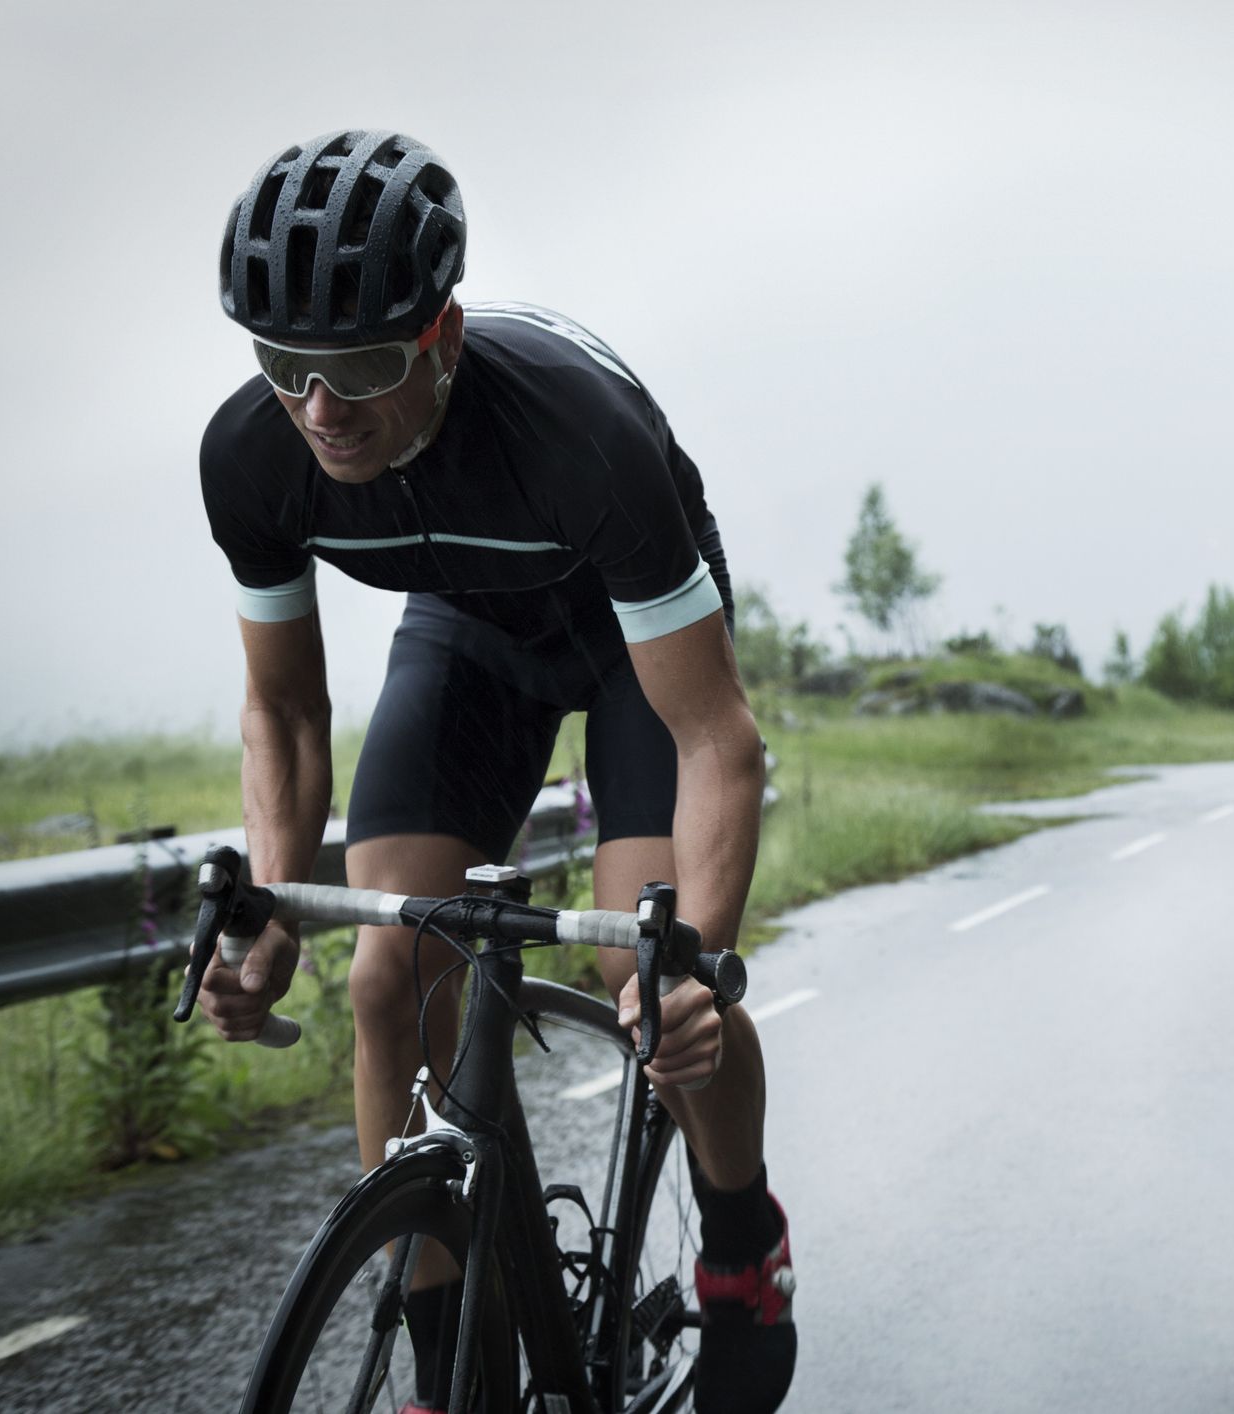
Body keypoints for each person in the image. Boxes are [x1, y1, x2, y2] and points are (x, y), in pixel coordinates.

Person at [194, 130, 795, 1414]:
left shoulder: (581, 437)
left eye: (358, 365)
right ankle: (440, 1362)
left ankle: (742, 1232)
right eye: (283, 364)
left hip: (636, 646)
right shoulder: (251, 456)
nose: (319, 408)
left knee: (647, 971)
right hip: (467, 632)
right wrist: (273, 904)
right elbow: (287, 715)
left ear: (443, 337)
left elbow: (715, 739)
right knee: (386, 975)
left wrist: (698, 967)